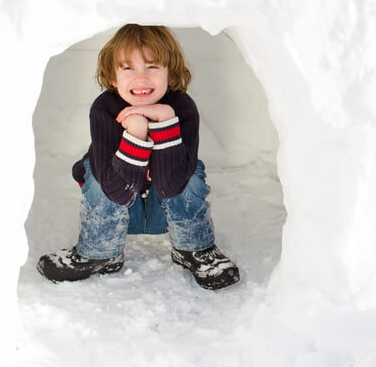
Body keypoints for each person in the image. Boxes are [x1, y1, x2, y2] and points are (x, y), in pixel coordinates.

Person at [37, 24, 240, 290]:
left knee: (190, 173)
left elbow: (171, 185)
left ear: (171, 73)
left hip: (165, 212)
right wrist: (136, 133)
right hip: (119, 209)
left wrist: (165, 122)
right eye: (128, 68)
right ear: (112, 77)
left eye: (152, 66)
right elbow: (117, 193)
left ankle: (193, 249)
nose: (141, 78)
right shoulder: (104, 109)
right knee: (96, 170)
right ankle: (100, 251)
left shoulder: (182, 108)